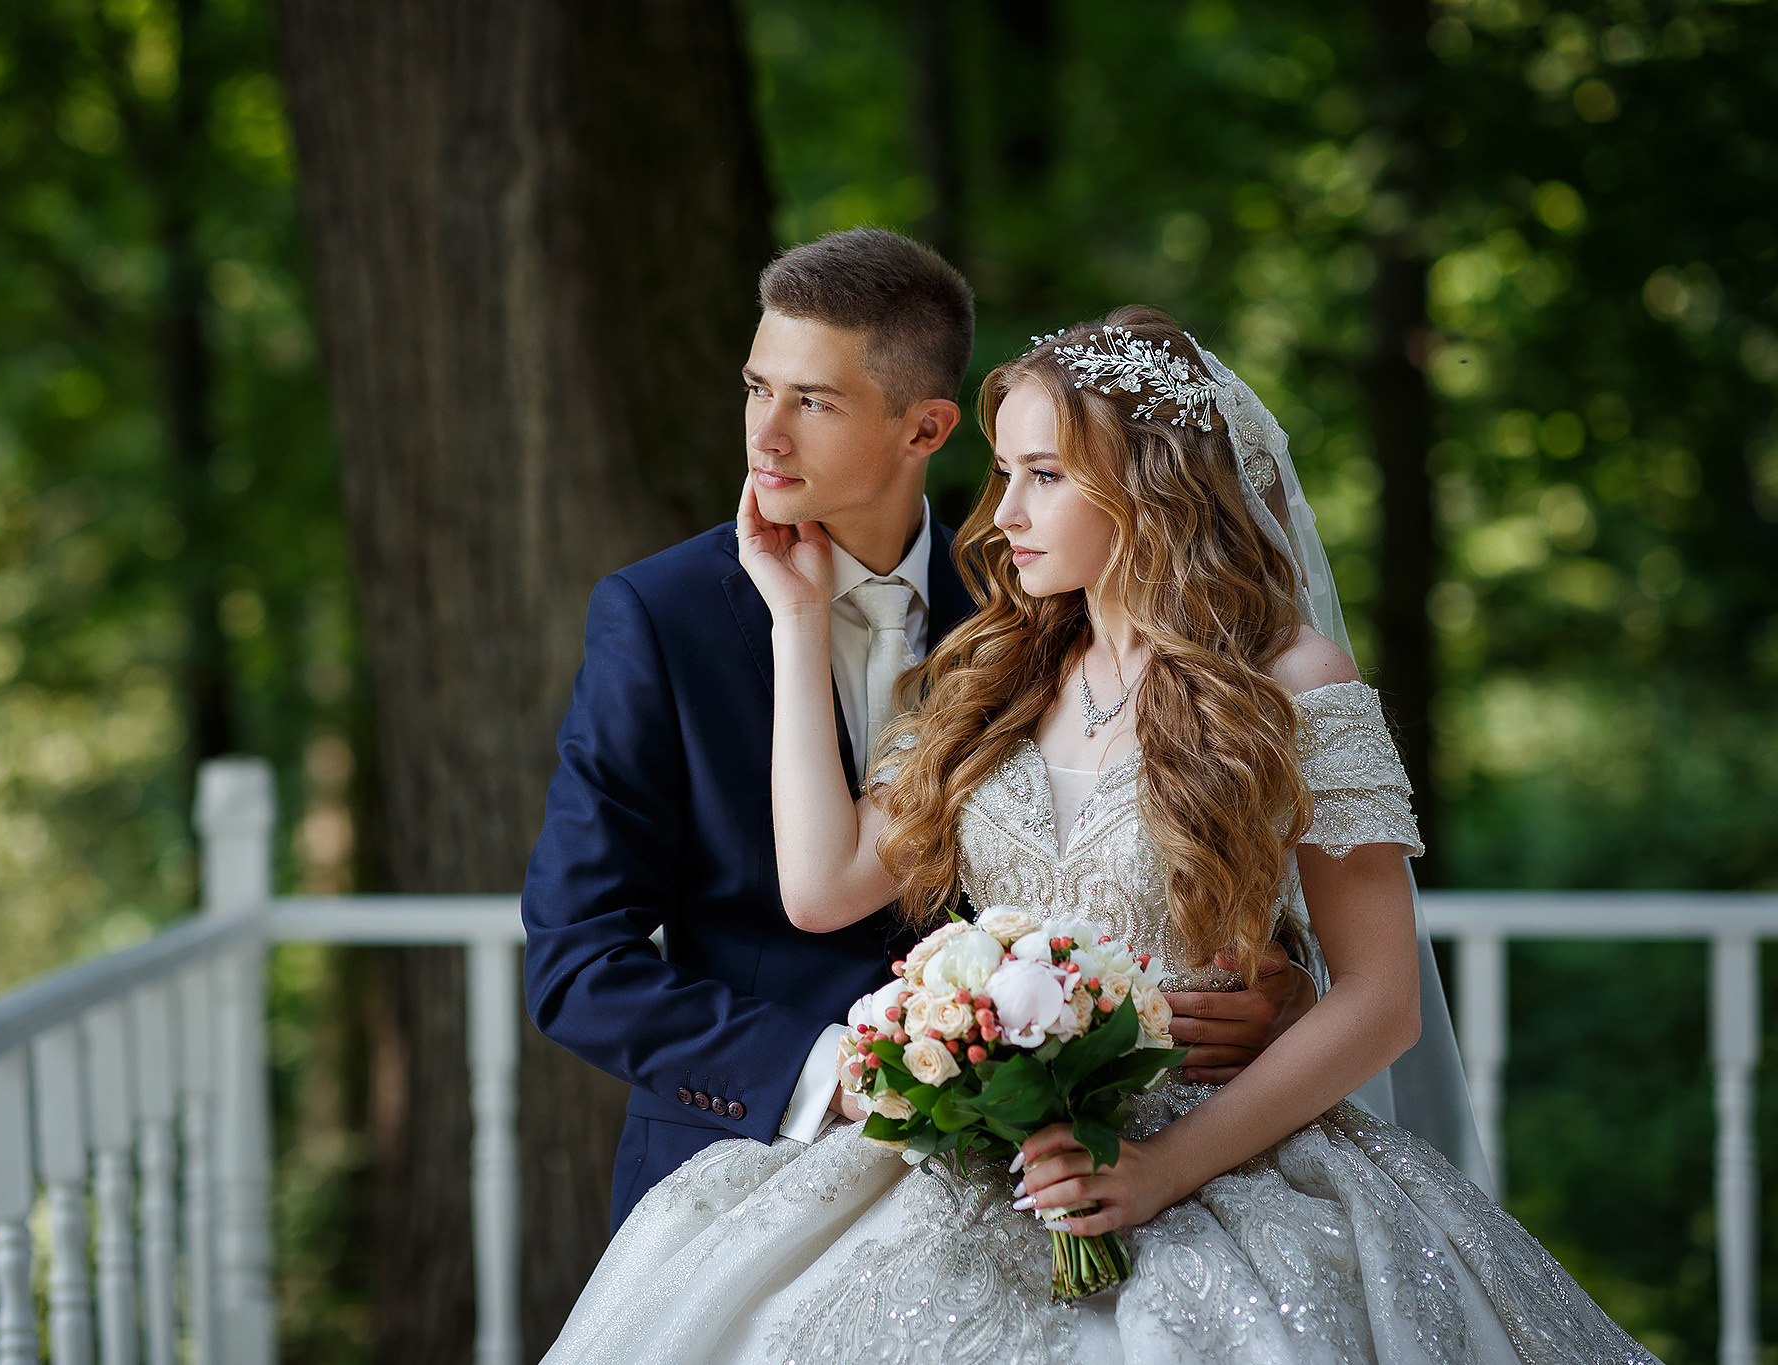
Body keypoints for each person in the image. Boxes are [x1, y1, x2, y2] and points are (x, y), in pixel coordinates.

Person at [541, 307, 1654, 1363]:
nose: (1002, 513)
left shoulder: (1292, 683)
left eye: (1043, 476)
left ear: (1147, 491)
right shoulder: (993, 673)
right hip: (984, 1161)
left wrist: (1160, 1171)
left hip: (1217, 1159)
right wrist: (792, 619)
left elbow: (1380, 1000)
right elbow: (822, 887)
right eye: (1005, 472)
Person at [523, 231, 1311, 1234]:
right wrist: (849, 1076)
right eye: (755, 388)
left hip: (1052, 1174)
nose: (764, 436)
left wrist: (1261, 998)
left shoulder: (1040, 603)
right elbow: (577, 962)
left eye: (811, 402)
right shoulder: (656, 616)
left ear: (925, 429)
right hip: (749, 1166)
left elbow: (1190, 855)